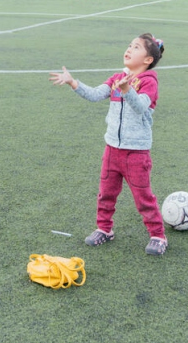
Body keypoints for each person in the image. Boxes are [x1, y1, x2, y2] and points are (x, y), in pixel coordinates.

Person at [49, 33, 168, 256]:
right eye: (129, 45)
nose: (129, 49)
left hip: (136, 152)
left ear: (148, 60)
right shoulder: (116, 77)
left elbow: (142, 106)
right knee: (106, 192)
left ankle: (157, 235)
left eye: (136, 47)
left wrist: (127, 90)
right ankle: (104, 229)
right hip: (112, 148)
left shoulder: (149, 81)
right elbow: (95, 95)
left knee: (143, 196)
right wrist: (73, 82)